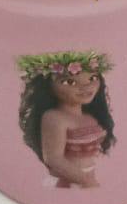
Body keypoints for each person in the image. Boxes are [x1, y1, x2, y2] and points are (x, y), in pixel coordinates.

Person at [16, 51, 115, 188]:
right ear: (48, 85)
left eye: (93, 78)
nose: (86, 87)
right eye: (69, 81)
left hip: (88, 179)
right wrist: (86, 181)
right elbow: (54, 159)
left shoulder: (90, 116)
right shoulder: (55, 118)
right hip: (69, 181)